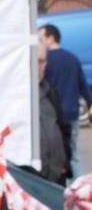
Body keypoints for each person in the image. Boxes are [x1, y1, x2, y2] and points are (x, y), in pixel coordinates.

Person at [39, 23, 91, 179]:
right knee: (73, 154)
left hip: (53, 116)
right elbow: (84, 87)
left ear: (51, 37)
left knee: (55, 155)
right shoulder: (72, 58)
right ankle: (79, 190)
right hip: (72, 113)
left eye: (41, 37)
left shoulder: (45, 61)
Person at [36, 40, 71, 185]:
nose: (39, 67)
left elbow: (64, 127)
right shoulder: (15, 96)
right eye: (35, 61)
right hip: (33, 179)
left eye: (42, 61)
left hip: (56, 176)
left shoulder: (50, 91)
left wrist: (65, 162)